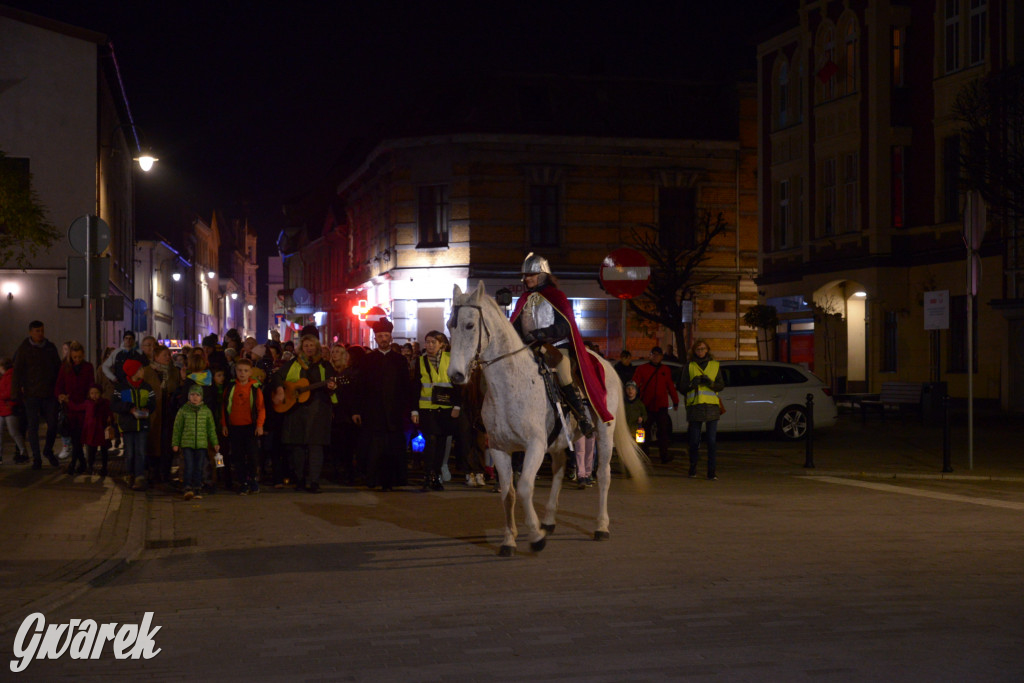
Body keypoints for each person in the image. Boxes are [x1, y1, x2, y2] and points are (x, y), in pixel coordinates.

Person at [509, 253, 613, 438]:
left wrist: (545, 333)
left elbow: (566, 325)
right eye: (525, 275)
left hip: (555, 346)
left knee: (564, 372)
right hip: (530, 348)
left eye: (531, 274)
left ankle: (582, 417)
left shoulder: (556, 296)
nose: (527, 278)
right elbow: (515, 326)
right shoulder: (523, 299)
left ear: (542, 274)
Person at [352, 317, 414, 492]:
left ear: (391, 337)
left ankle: (393, 480)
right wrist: (356, 410)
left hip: (395, 412)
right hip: (373, 412)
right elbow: (360, 387)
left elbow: (405, 387)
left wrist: (408, 410)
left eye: (386, 335)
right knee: (374, 449)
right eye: (380, 336)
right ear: (375, 338)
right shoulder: (367, 360)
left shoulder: (400, 360)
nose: (383, 339)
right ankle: (373, 479)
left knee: (394, 447)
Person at [270, 333, 335, 493]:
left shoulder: (325, 365)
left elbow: (331, 383)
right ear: (301, 348)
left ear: (317, 347)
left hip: (318, 410)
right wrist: (280, 389)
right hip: (296, 410)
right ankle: (299, 480)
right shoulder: (293, 363)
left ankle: (314, 481)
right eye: (306, 346)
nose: (309, 348)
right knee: (297, 446)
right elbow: (277, 376)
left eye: (312, 345)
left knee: (315, 446)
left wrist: (332, 386)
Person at [411, 330, 461, 491]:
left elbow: (458, 384)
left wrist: (457, 406)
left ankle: (436, 475)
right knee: (430, 441)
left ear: (442, 344)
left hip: (446, 408)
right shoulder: (420, 361)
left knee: (441, 443)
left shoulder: (451, 358)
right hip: (427, 408)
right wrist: (414, 410)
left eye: (433, 342)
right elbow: (415, 386)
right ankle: (428, 475)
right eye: (427, 342)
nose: (429, 345)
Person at [11, 320, 62, 469]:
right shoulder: (24, 349)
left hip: (49, 394)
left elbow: (58, 369)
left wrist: (60, 390)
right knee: (32, 427)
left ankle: (47, 450)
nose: (40, 334)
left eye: (42, 330)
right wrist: (15, 396)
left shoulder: (50, 348)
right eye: (37, 331)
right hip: (31, 394)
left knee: (53, 424)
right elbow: (17, 373)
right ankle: (37, 457)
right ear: (31, 332)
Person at [222, 357, 265, 494]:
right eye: (240, 370)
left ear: (250, 372)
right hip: (235, 427)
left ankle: (252, 478)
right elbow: (224, 408)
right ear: (235, 371)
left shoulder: (254, 388)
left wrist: (259, 425)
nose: (242, 373)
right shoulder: (230, 387)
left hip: (250, 427)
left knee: (252, 456)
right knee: (237, 456)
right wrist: (224, 424)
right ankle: (243, 482)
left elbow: (261, 408)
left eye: (245, 371)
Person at [630, 346, 679, 463]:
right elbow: (634, 384)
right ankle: (643, 454)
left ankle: (664, 455)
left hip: (661, 405)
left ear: (662, 356)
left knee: (663, 432)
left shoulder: (665, 370)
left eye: (658, 354)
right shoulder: (642, 369)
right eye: (654, 354)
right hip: (645, 406)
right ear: (650, 355)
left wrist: (675, 400)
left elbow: (670, 386)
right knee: (642, 432)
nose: (656, 356)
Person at [112, 358, 156, 490]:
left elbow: (152, 402)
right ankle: (130, 474)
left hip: (142, 425)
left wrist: (147, 408)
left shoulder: (147, 387)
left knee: (141, 451)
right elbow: (114, 404)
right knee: (130, 452)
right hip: (128, 425)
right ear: (133, 372)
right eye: (140, 369)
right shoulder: (121, 388)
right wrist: (129, 409)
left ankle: (139, 476)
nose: (143, 371)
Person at [684, 339, 725, 480]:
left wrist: (711, 383)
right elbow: (682, 387)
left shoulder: (715, 365)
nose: (700, 351)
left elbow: (721, 385)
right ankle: (693, 468)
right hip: (695, 407)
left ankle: (711, 472)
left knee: (712, 442)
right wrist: (691, 384)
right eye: (698, 349)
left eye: (702, 349)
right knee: (694, 441)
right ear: (694, 351)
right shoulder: (689, 366)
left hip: (711, 408)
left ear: (707, 350)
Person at [172, 385, 220, 500]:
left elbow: (211, 429)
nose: (195, 397)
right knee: (188, 465)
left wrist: (215, 442)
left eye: (197, 395)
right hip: (187, 443)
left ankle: (197, 487)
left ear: (201, 397)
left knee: (199, 466)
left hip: (201, 444)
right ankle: (187, 487)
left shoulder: (206, 411)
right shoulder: (183, 410)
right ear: (188, 396)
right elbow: (177, 428)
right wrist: (175, 443)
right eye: (192, 395)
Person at [55, 341, 95, 475]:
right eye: (74, 357)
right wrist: (61, 396)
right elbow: (59, 386)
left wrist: (90, 397)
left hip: (83, 406)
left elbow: (91, 384)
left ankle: (78, 463)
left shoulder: (88, 367)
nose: (77, 360)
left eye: (79, 357)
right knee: (75, 436)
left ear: (83, 354)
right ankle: (79, 462)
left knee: (79, 436)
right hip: (70, 406)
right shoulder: (65, 368)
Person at [67, 385, 113, 477]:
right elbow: (77, 407)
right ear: (89, 394)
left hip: (102, 430)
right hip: (91, 431)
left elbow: (110, 414)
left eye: (96, 393)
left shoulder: (105, 403)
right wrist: (68, 402)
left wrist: (110, 420)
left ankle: (104, 468)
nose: (94, 395)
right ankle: (90, 467)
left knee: (104, 450)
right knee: (91, 450)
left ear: (100, 393)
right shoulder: (88, 403)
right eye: (92, 393)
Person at [0, 357, 28, 464]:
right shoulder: (5, 377)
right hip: (3, 408)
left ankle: (23, 452)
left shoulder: (10, 377)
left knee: (13, 432)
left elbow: (9, 393)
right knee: (2, 433)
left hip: (8, 408)